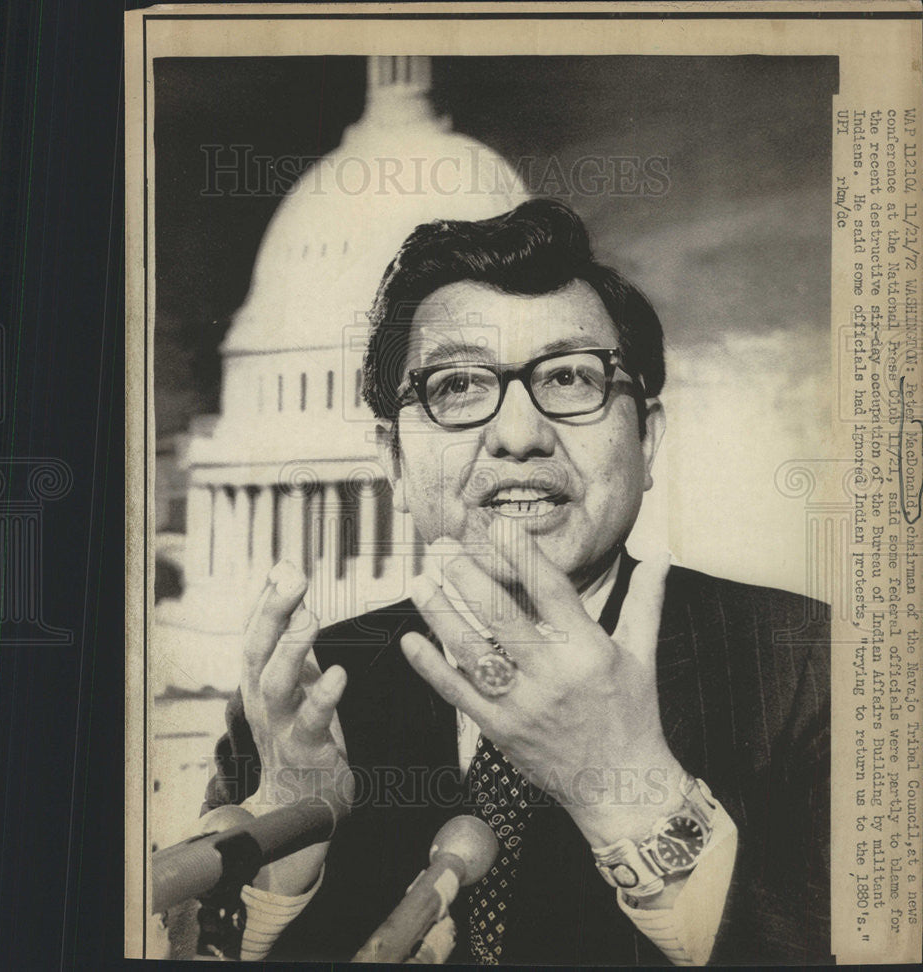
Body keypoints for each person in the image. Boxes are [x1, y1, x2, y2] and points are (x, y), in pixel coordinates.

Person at [192, 199, 830, 965]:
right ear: (393, 459)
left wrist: (631, 790)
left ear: (647, 438)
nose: (520, 435)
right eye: (458, 386)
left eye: (569, 377)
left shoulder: (814, 666)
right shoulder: (303, 692)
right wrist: (284, 856)